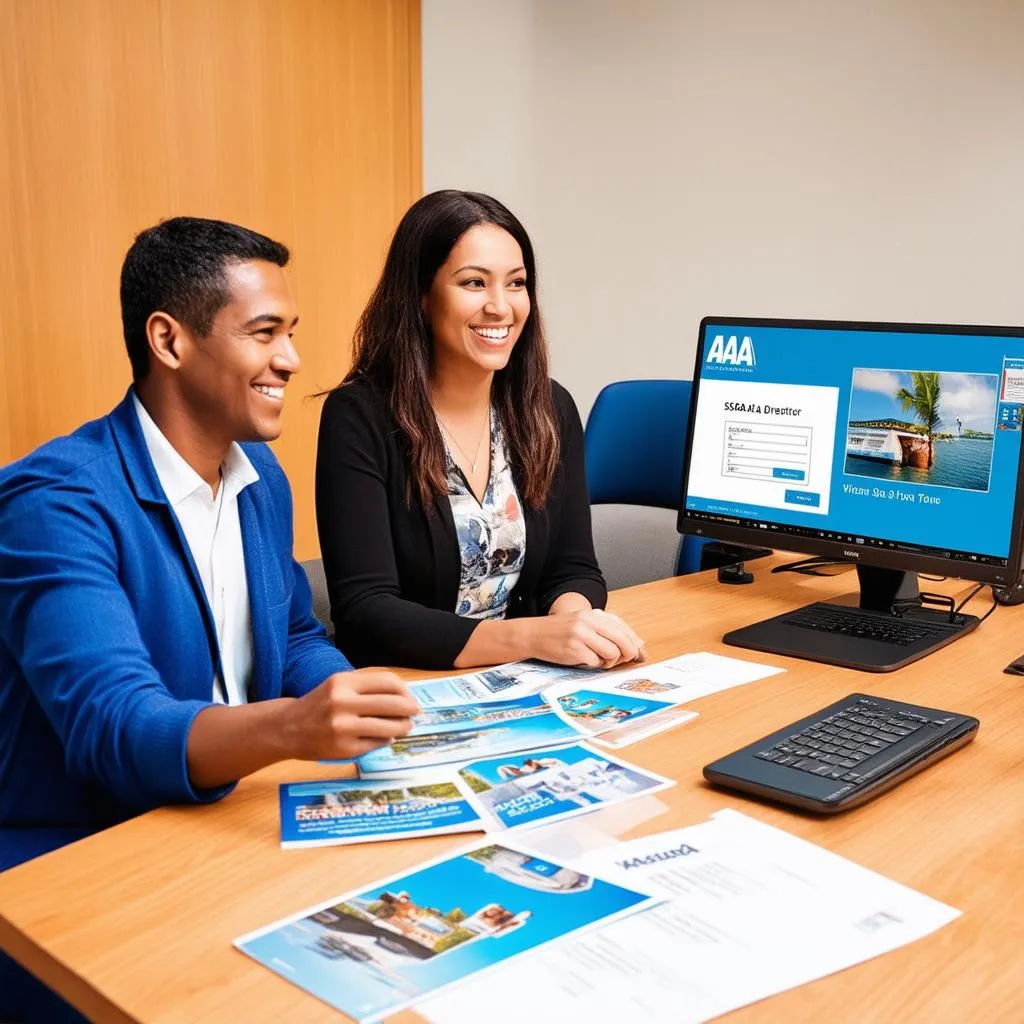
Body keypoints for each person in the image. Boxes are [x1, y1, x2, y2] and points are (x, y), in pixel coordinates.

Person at [0, 217, 419, 1023]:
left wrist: (347, 700)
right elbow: (114, 727)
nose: (291, 361)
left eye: (291, 333)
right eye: (265, 333)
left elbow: (294, 636)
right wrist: (295, 728)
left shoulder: (257, 470)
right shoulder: (55, 503)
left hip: (220, 819)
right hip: (77, 855)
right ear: (169, 341)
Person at [316, 190, 645, 670]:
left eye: (516, 284)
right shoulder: (359, 416)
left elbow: (573, 569)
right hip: (408, 682)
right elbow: (367, 610)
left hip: (527, 677)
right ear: (420, 295)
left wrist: (575, 625)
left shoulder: (548, 408)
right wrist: (532, 636)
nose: (501, 307)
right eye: (474, 283)